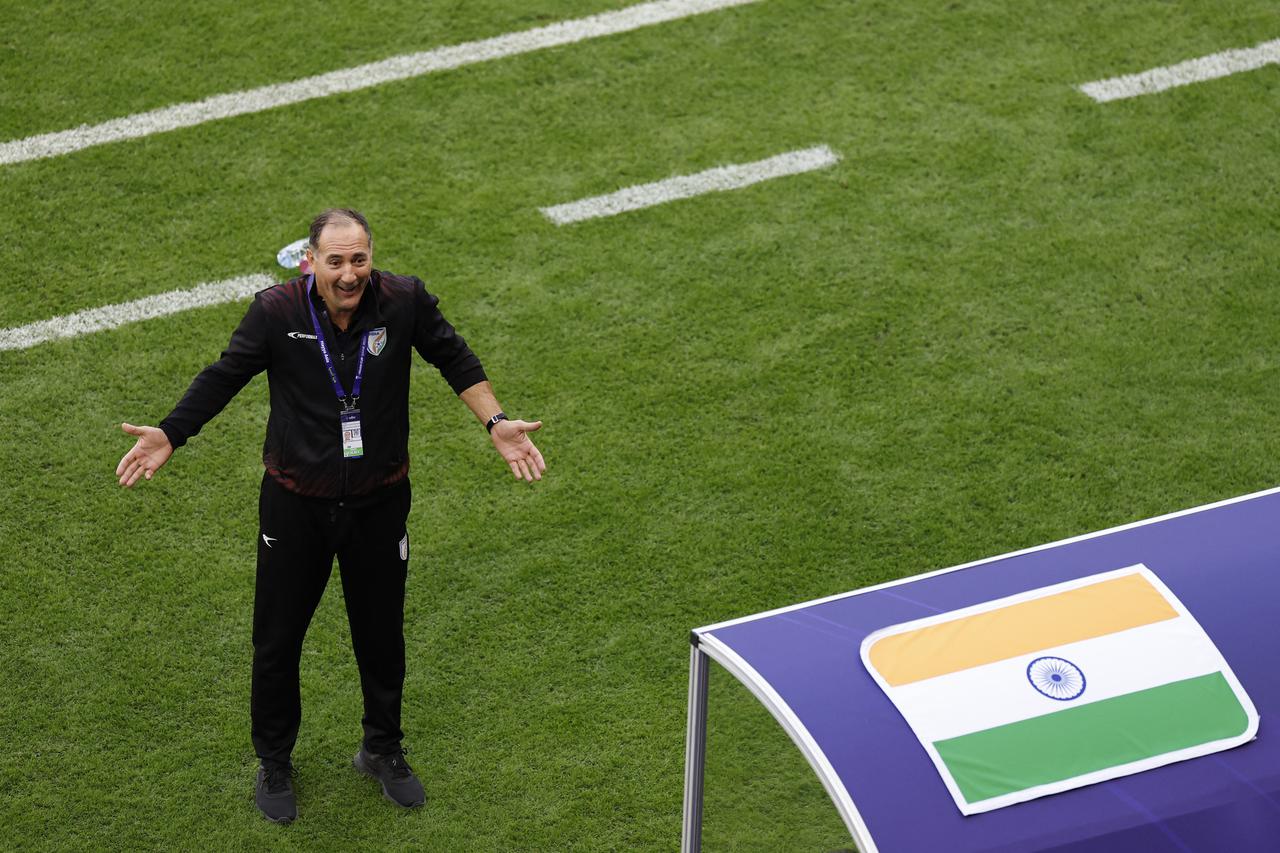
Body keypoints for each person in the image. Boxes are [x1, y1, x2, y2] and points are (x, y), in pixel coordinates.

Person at [114, 208, 545, 824]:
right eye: (336, 261)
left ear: (372, 258)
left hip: (380, 502)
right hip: (295, 505)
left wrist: (496, 423)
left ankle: (382, 749)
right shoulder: (276, 312)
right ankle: (274, 761)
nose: (349, 274)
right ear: (309, 260)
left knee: (381, 635)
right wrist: (172, 433)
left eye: (359, 259)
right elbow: (226, 374)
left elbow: (454, 356)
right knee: (278, 639)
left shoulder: (403, 301)